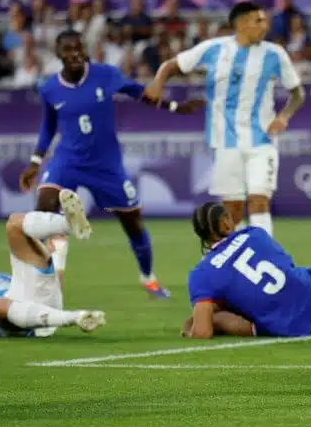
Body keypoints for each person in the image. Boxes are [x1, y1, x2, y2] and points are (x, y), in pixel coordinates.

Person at [19, 30, 204, 299]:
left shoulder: (105, 75)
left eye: (79, 48)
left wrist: (176, 107)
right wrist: (35, 162)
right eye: (68, 50)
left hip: (106, 165)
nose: (75, 54)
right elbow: (48, 126)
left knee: (133, 222)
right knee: (44, 211)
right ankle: (51, 278)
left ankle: (148, 278)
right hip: (67, 161)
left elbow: (141, 93)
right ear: (58, 55)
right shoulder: (49, 88)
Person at [145, 2, 306, 236]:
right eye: (258, 20)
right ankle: (237, 260)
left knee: (259, 201)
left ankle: (266, 255)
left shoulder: (274, 54)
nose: (265, 25)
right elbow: (171, 66)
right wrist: (157, 84)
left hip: (262, 140)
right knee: (233, 209)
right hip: (225, 142)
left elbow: (298, 93)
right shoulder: (213, 49)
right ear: (241, 24)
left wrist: (284, 116)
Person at [0, 189, 106, 337]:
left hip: (37, 307)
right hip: (9, 322)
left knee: (14, 223)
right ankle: (77, 317)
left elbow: (44, 286)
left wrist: (57, 262)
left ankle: (70, 225)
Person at [183, 202, 311, 338]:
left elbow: (203, 332)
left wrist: (196, 323)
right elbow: (284, 265)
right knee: (294, 276)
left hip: (296, 327)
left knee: (219, 316)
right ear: (225, 223)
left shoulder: (201, 275)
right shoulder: (254, 233)